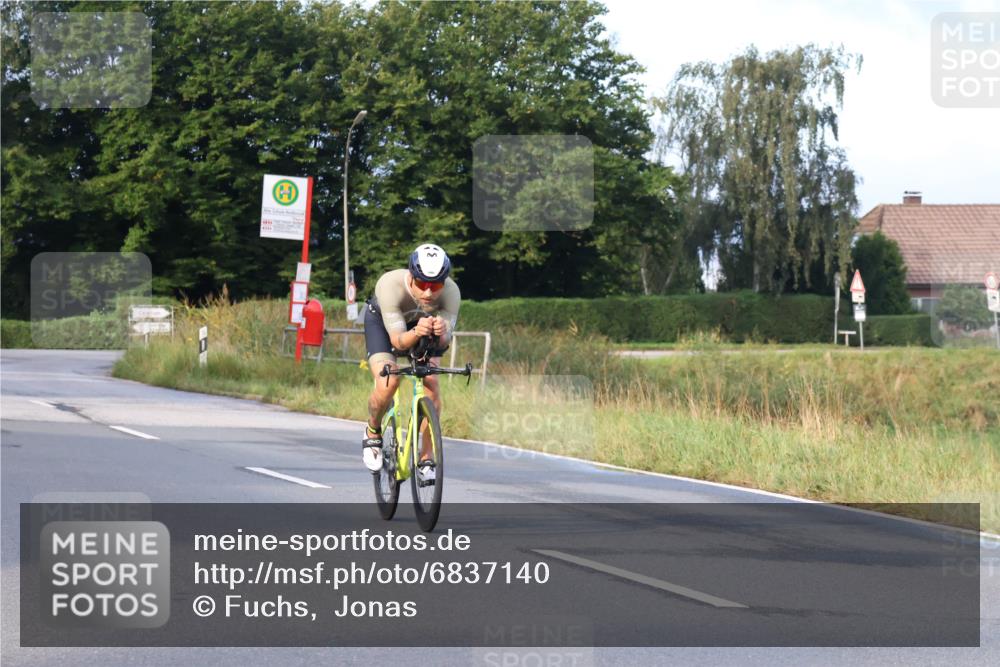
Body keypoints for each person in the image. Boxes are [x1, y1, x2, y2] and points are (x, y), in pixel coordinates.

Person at [361, 244, 460, 481]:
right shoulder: (390, 285)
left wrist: (441, 331)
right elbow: (397, 341)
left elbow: (445, 340)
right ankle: (372, 431)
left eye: (435, 285)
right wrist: (416, 332)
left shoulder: (452, 292)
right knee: (388, 381)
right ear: (411, 276)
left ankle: (426, 457)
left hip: (422, 326)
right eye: (422, 284)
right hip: (384, 325)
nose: (428, 292)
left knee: (431, 381)